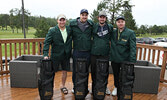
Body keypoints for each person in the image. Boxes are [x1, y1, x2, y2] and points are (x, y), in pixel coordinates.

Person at [43, 14, 72, 94]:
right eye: (60, 20)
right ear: (57, 21)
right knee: (52, 72)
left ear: (65, 21)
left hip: (66, 54)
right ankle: (49, 88)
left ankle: (62, 86)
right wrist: (45, 54)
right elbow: (46, 42)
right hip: (55, 55)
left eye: (63, 20)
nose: (62, 22)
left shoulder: (69, 29)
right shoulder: (52, 30)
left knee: (64, 71)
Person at [110, 16, 136, 100]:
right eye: (118, 22)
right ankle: (116, 87)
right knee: (116, 74)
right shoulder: (113, 32)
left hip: (125, 59)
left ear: (124, 23)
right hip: (115, 58)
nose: (120, 23)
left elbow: (133, 47)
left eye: (122, 21)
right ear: (116, 23)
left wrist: (132, 60)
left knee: (124, 76)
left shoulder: (130, 33)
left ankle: (123, 89)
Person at [69, 9, 94, 99]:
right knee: (76, 70)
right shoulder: (73, 24)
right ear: (80, 15)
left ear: (87, 16)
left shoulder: (91, 24)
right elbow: (67, 33)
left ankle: (84, 87)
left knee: (85, 71)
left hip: (87, 52)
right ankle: (75, 87)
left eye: (86, 15)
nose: (84, 16)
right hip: (77, 51)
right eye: (82, 15)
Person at [91, 11, 113, 99]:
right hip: (94, 53)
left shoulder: (110, 27)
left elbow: (113, 37)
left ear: (106, 18)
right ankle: (94, 88)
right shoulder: (94, 26)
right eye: (101, 17)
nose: (102, 18)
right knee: (94, 71)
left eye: (104, 17)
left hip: (105, 53)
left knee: (104, 71)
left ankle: (104, 87)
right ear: (98, 18)